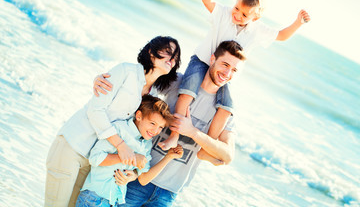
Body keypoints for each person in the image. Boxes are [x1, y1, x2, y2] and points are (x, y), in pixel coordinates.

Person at [159, 0, 311, 161]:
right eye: (237, 8)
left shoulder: (257, 30)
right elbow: (206, 0)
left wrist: (298, 22)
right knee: (187, 91)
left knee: (226, 107)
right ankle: (174, 136)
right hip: (203, 61)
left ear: (255, 18)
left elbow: (281, 35)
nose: (237, 15)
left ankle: (206, 147)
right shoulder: (223, 13)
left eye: (245, 15)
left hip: (224, 76)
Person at [94, 40, 246, 206]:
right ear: (212, 59)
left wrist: (192, 132)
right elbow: (138, 83)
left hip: (168, 192)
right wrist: (103, 79)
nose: (227, 73)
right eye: (225, 64)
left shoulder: (224, 111)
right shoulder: (178, 83)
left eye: (234, 70)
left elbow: (228, 154)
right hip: (135, 175)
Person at [45, 36, 181, 207]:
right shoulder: (126, 71)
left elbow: (133, 132)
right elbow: (95, 110)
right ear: (151, 52)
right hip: (73, 145)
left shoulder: (151, 96)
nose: (171, 59)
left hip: (94, 161)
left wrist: (133, 173)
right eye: (168, 52)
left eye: (175, 57)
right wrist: (120, 145)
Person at [76, 95, 184, 207]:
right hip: (94, 198)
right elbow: (95, 159)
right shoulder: (120, 129)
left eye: (161, 127)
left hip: (115, 201)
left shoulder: (146, 144)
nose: (156, 130)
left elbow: (143, 179)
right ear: (139, 116)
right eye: (152, 123)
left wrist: (168, 157)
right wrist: (131, 157)